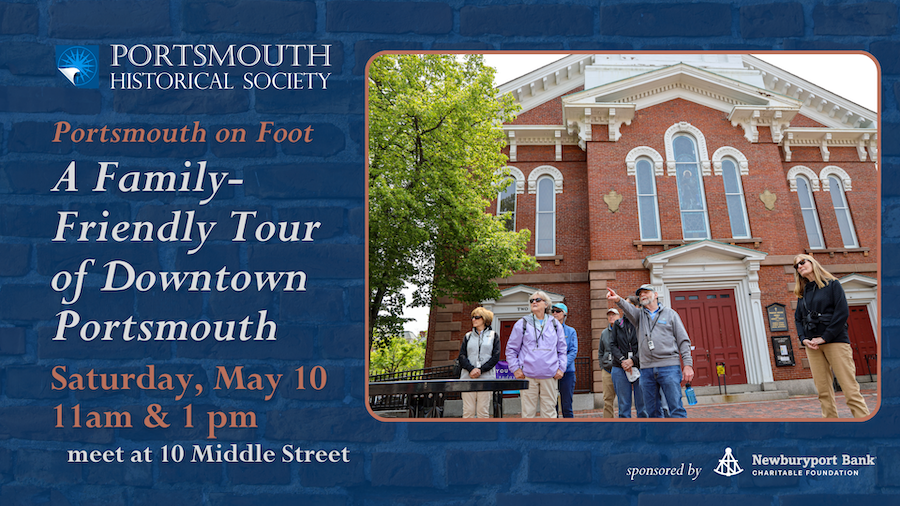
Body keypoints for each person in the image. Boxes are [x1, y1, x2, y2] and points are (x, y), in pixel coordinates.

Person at [793, 254, 869, 418]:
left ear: (812, 262)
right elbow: (798, 319)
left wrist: (825, 337)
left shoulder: (833, 285)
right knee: (823, 392)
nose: (799, 266)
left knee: (850, 390)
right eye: (796, 266)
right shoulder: (802, 293)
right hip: (813, 346)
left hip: (835, 341)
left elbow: (842, 313)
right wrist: (803, 339)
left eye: (802, 262)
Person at [607, 284, 694, 418]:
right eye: (640, 293)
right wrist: (618, 299)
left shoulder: (670, 314)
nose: (642, 295)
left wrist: (688, 365)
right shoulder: (638, 316)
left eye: (646, 292)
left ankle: (679, 438)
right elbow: (628, 308)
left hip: (669, 367)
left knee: (675, 408)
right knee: (652, 410)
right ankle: (657, 438)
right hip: (646, 369)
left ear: (655, 295)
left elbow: (683, 340)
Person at [506, 291, 567, 418]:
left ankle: (548, 438)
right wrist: (515, 369)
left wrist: (561, 368)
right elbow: (511, 349)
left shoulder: (555, 324)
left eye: (537, 300)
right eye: (531, 300)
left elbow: (562, 349)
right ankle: (530, 438)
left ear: (546, 304)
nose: (534, 302)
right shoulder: (522, 323)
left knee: (549, 413)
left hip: (550, 374)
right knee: (528, 413)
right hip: (528, 375)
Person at [458, 307, 501, 418]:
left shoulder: (493, 335)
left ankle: (482, 435)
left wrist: (480, 370)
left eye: (477, 317)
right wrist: (471, 369)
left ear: (485, 319)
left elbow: (495, 357)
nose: (473, 319)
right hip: (468, 377)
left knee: (483, 411)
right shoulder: (467, 336)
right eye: (472, 317)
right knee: (468, 411)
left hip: (486, 378)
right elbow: (462, 356)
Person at [609, 296, 647, 418]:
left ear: (637, 307)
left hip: (640, 366)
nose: (625, 307)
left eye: (629, 304)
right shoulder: (617, 324)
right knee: (624, 405)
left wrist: (633, 360)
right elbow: (612, 344)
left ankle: (645, 433)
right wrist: (623, 361)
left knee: (642, 404)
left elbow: (645, 345)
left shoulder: (643, 323)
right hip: (620, 367)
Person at [551, 302, 578, 418]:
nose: (555, 313)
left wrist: (561, 366)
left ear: (564, 314)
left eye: (558, 311)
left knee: (567, 405)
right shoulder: (547, 330)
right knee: (552, 405)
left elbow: (573, 351)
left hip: (567, 372)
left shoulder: (571, 331)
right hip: (550, 372)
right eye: (553, 311)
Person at [599, 309, 618, 418]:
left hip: (620, 369)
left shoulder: (622, 330)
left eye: (613, 314)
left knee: (623, 399)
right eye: (609, 315)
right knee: (607, 400)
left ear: (618, 316)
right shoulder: (604, 333)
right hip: (607, 370)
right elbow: (600, 351)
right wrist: (602, 366)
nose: (611, 317)